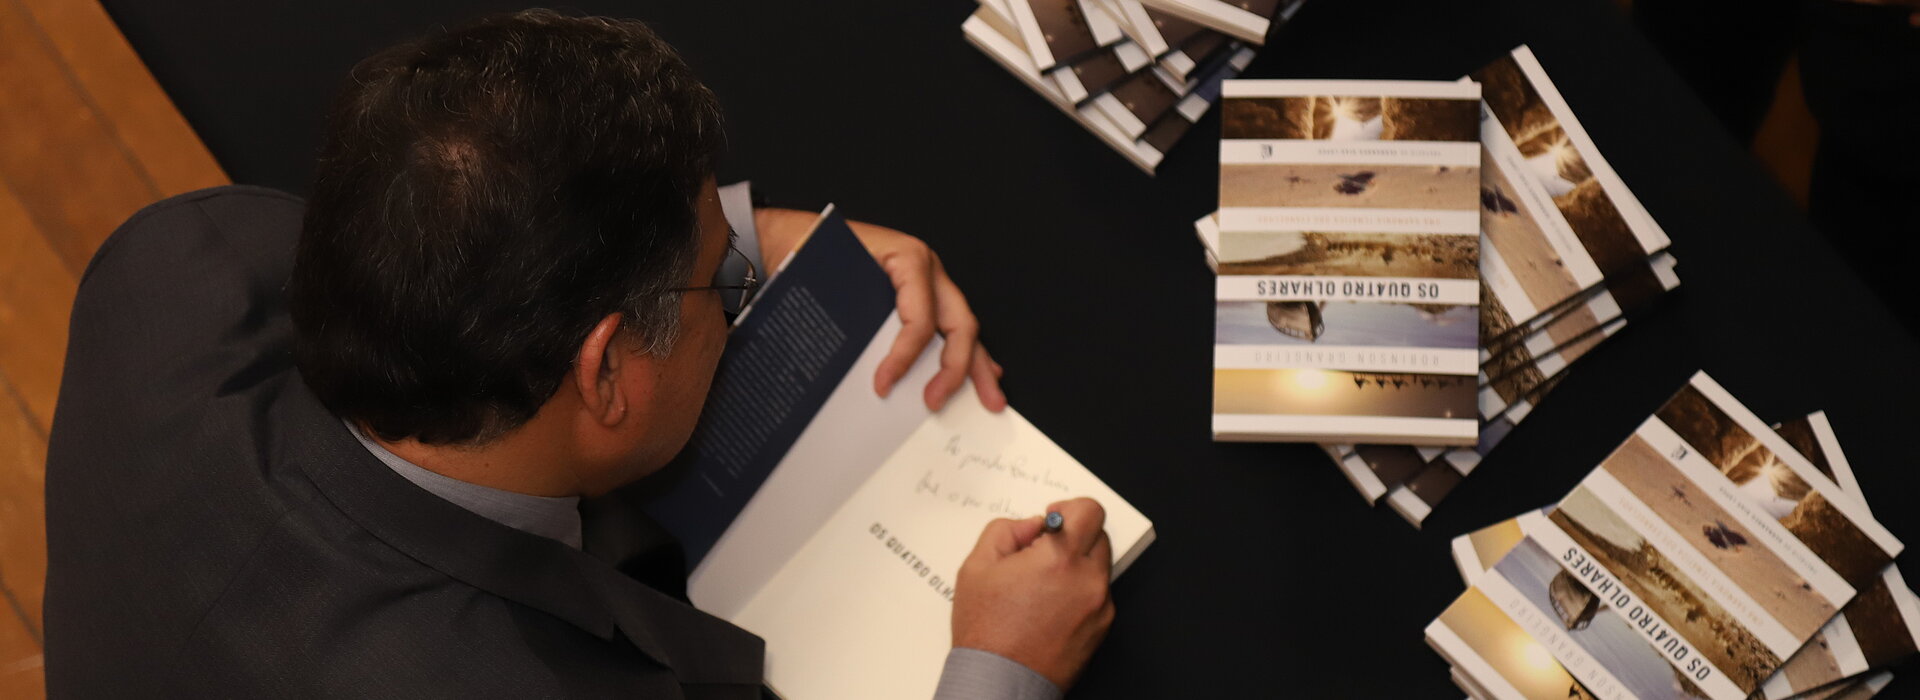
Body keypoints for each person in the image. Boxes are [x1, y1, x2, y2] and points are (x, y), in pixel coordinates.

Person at [42, 9, 1114, 699]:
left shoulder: (178, 261)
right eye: (725, 281)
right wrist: (1002, 668)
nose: (740, 283)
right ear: (605, 376)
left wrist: (759, 234)